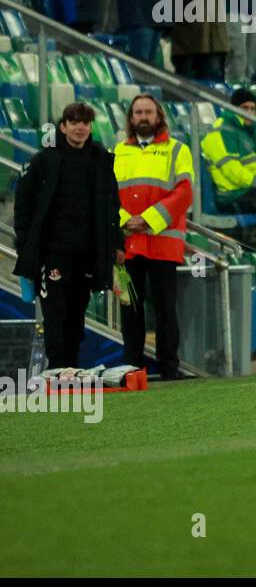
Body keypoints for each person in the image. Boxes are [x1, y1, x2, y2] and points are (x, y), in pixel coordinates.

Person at [14, 102, 122, 370]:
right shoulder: (43, 160)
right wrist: (25, 243)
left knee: (77, 313)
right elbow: (23, 204)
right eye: (74, 122)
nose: (80, 127)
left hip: (87, 252)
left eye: (85, 122)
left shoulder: (101, 160)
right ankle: (57, 368)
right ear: (63, 127)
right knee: (54, 313)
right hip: (53, 252)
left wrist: (116, 243)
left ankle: (72, 368)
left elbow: (112, 206)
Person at [115, 95, 194, 380]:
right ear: (131, 117)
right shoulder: (118, 152)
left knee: (165, 308)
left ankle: (169, 367)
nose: (143, 117)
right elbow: (109, 193)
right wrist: (126, 221)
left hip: (162, 242)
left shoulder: (177, 150)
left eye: (148, 111)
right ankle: (133, 368)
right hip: (128, 245)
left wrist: (148, 219)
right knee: (130, 308)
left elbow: (184, 192)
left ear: (159, 115)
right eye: (138, 112)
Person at [200, 88, 256, 221]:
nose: (249, 112)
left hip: (249, 189)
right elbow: (231, 169)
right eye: (245, 108)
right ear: (234, 108)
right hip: (231, 193)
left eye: (252, 108)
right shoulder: (222, 131)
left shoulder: (254, 133)